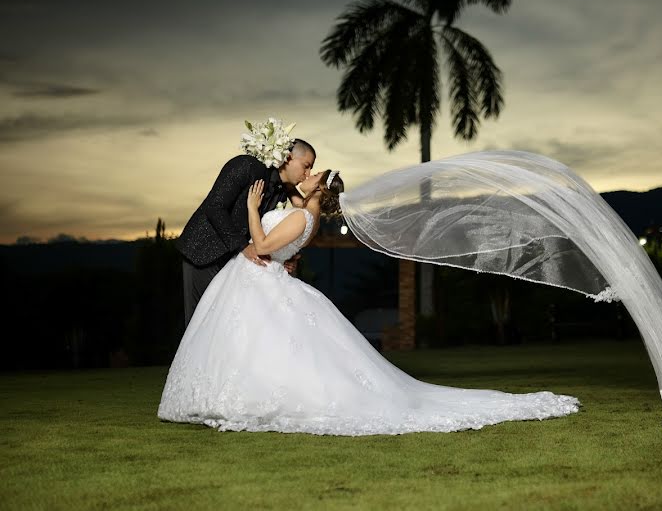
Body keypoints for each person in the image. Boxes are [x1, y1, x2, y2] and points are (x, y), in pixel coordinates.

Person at [158, 168, 580, 435]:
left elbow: (265, 243)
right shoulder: (297, 209)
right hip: (256, 282)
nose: (305, 174)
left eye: (311, 173)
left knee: (272, 350)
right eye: (307, 168)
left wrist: (251, 209)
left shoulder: (305, 216)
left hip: (261, 275)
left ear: (318, 190)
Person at [176, 136, 316, 328]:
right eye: (306, 166)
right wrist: (243, 247)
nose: (308, 174)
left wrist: (284, 258)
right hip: (204, 250)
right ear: (288, 157)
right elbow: (214, 207)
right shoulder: (247, 165)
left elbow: (274, 231)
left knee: (226, 326)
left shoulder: (283, 192)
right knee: (200, 325)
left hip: (236, 264)